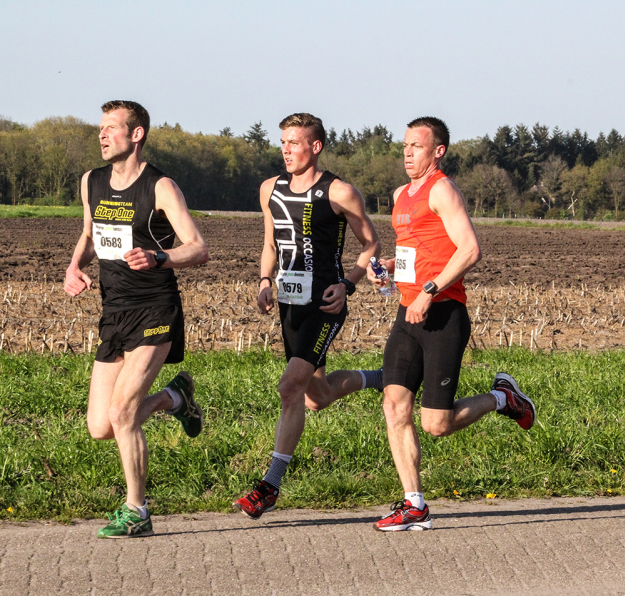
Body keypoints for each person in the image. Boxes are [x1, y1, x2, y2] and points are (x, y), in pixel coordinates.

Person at [367, 116, 536, 531]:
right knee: (394, 404)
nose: (407, 153)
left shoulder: (442, 190)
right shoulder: (400, 194)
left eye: (416, 147)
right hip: (408, 313)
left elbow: (469, 249)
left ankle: (503, 399)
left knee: (436, 424)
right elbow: (416, 248)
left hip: (443, 315)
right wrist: (389, 266)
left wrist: (429, 289)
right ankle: (414, 504)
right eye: (404, 146)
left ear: (437, 151)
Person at [64, 100, 209, 538]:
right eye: (100, 128)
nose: (102, 135)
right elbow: (90, 234)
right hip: (115, 313)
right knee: (100, 427)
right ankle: (174, 398)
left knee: (123, 413)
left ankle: (137, 511)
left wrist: (160, 256)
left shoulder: (161, 186)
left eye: (112, 128)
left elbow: (198, 247)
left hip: (155, 309)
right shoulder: (91, 182)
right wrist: (75, 267)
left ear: (137, 134)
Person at [232, 112, 383, 519]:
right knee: (317, 397)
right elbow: (270, 243)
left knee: (289, 387)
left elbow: (371, 243)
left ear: (314, 147)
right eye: (282, 142)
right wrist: (264, 280)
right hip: (288, 303)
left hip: (324, 305)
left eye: (293, 143)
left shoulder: (340, 192)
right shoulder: (269, 189)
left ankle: (269, 486)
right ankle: (385, 378)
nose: (285, 150)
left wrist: (348, 284)